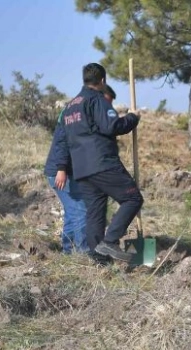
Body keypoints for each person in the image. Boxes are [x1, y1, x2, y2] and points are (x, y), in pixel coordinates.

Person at [61, 63, 142, 262]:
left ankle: (99, 260)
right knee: (132, 199)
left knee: (95, 211)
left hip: (82, 169)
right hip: (102, 163)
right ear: (103, 81)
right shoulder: (96, 99)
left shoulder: (71, 106)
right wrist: (133, 118)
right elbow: (112, 126)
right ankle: (111, 241)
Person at [44, 85, 117, 254]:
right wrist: (61, 169)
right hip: (61, 171)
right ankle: (85, 253)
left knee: (72, 211)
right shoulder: (76, 114)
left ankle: (68, 251)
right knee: (81, 211)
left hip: (69, 171)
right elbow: (63, 141)